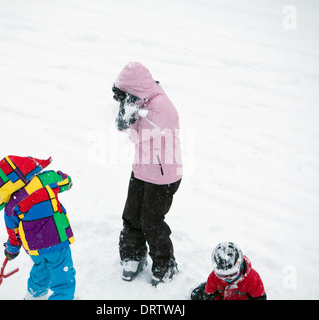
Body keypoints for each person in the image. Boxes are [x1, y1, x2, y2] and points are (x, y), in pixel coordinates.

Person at [113, 62, 183, 286]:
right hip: (142, 168)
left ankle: (164, 265)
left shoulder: (161, 107)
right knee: (131, 214)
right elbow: (124, 127)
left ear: (136, 89)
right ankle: (133, 256)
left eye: (127, 95)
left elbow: (135, 135)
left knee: (151, 221)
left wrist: (129, 118)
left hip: (164, 175)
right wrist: (127, 113)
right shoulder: (141, 99)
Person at [0, 155, 76, 300]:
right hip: (57, 242)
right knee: (63, 282)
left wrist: (11, 251)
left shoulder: (10, 206)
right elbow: (65, 180)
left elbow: (13, 235)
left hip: (34, 249)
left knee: (41, 272)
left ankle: (34, 297)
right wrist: (65, 182)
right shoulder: (45, 180)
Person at [190, 241, 266, 300]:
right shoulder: (213, 278)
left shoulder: (253, 278)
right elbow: (210, 297)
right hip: (222, 296)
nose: (228, 278)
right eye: (222, 275)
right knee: (197, 296)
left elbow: (259, 298)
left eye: (232, 274)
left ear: (240, 267)